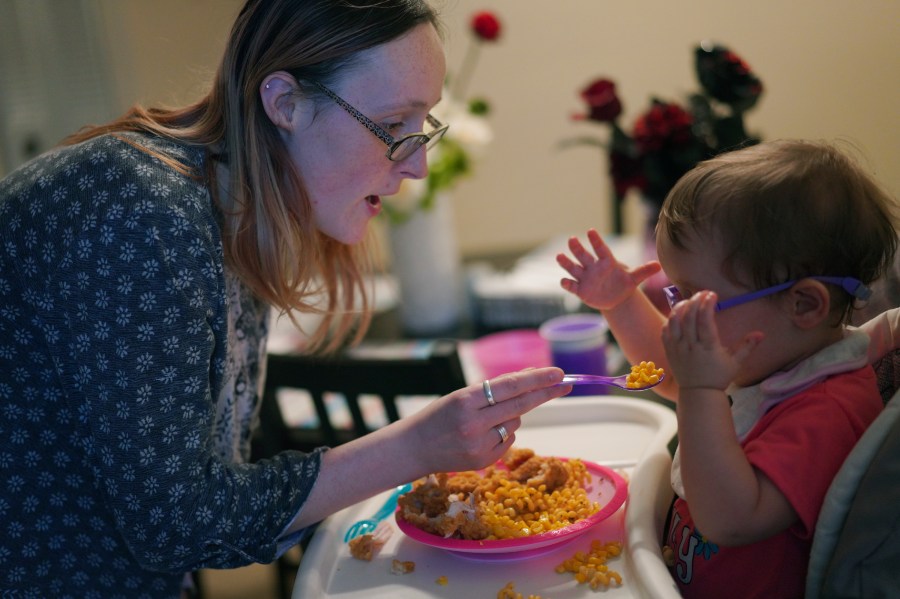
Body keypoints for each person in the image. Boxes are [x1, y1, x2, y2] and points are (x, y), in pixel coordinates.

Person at [0, 1, 570, 596]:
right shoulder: (142, 216)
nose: (419, 165)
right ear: (285, 104)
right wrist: (416, 447)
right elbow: (178, 525)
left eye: (423, 124)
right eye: (394, 126)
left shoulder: (230, 207)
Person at [556, 139, 898, 598]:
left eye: (693, 298)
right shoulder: (766, 356)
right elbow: (673, 376)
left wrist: (702, 390)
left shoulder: (828, 408)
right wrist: (620, 303)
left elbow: (731, 519)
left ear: (803, 304)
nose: (676, 314)